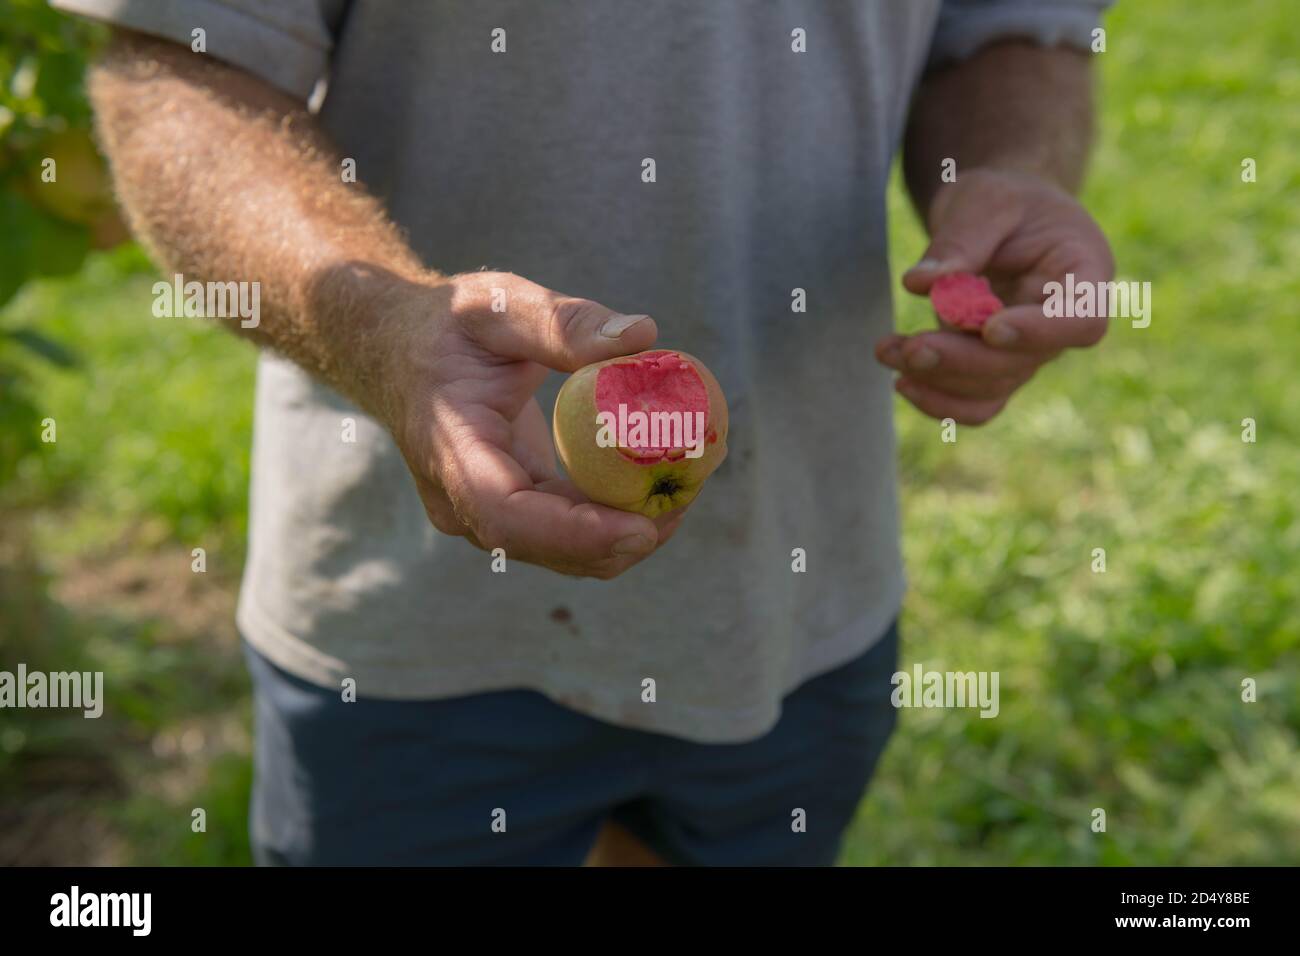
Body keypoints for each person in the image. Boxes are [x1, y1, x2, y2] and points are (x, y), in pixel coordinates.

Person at [62, 0, 1114, 865]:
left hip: (798, 587)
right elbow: (179, 65)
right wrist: (381, 327)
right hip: (416, 621)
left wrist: (1011, 170)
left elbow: (1012, 26)